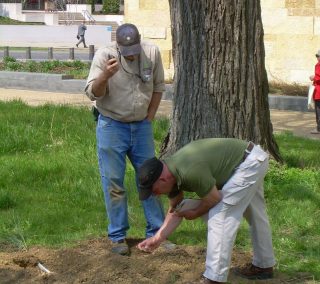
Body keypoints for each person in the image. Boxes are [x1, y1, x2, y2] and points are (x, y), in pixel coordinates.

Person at [136, 138, 276, 283]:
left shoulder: (189, 170)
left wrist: (195, 212)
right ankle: (264, 266)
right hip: (249, 160)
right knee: (255, 215)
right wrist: (157, 238)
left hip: (249, 163)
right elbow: (176, 209)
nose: (155, 195)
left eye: (154, 190)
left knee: (220, 216)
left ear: (163, 179)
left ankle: (214, 277)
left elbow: (214, 198)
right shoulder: (171, 174)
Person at [84, 23, 166, 255]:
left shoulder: (151, 52)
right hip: (112, 125)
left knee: (151, 179)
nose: (131, 56)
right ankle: (118, 237)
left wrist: (149, 117)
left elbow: (158, 87)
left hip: (141, 127)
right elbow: (92, 93)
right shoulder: (104, 56)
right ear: (118, 46)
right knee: (114, 182)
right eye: (127, 52)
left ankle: (157, 234)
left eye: (134, 51)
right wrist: (105, 76)